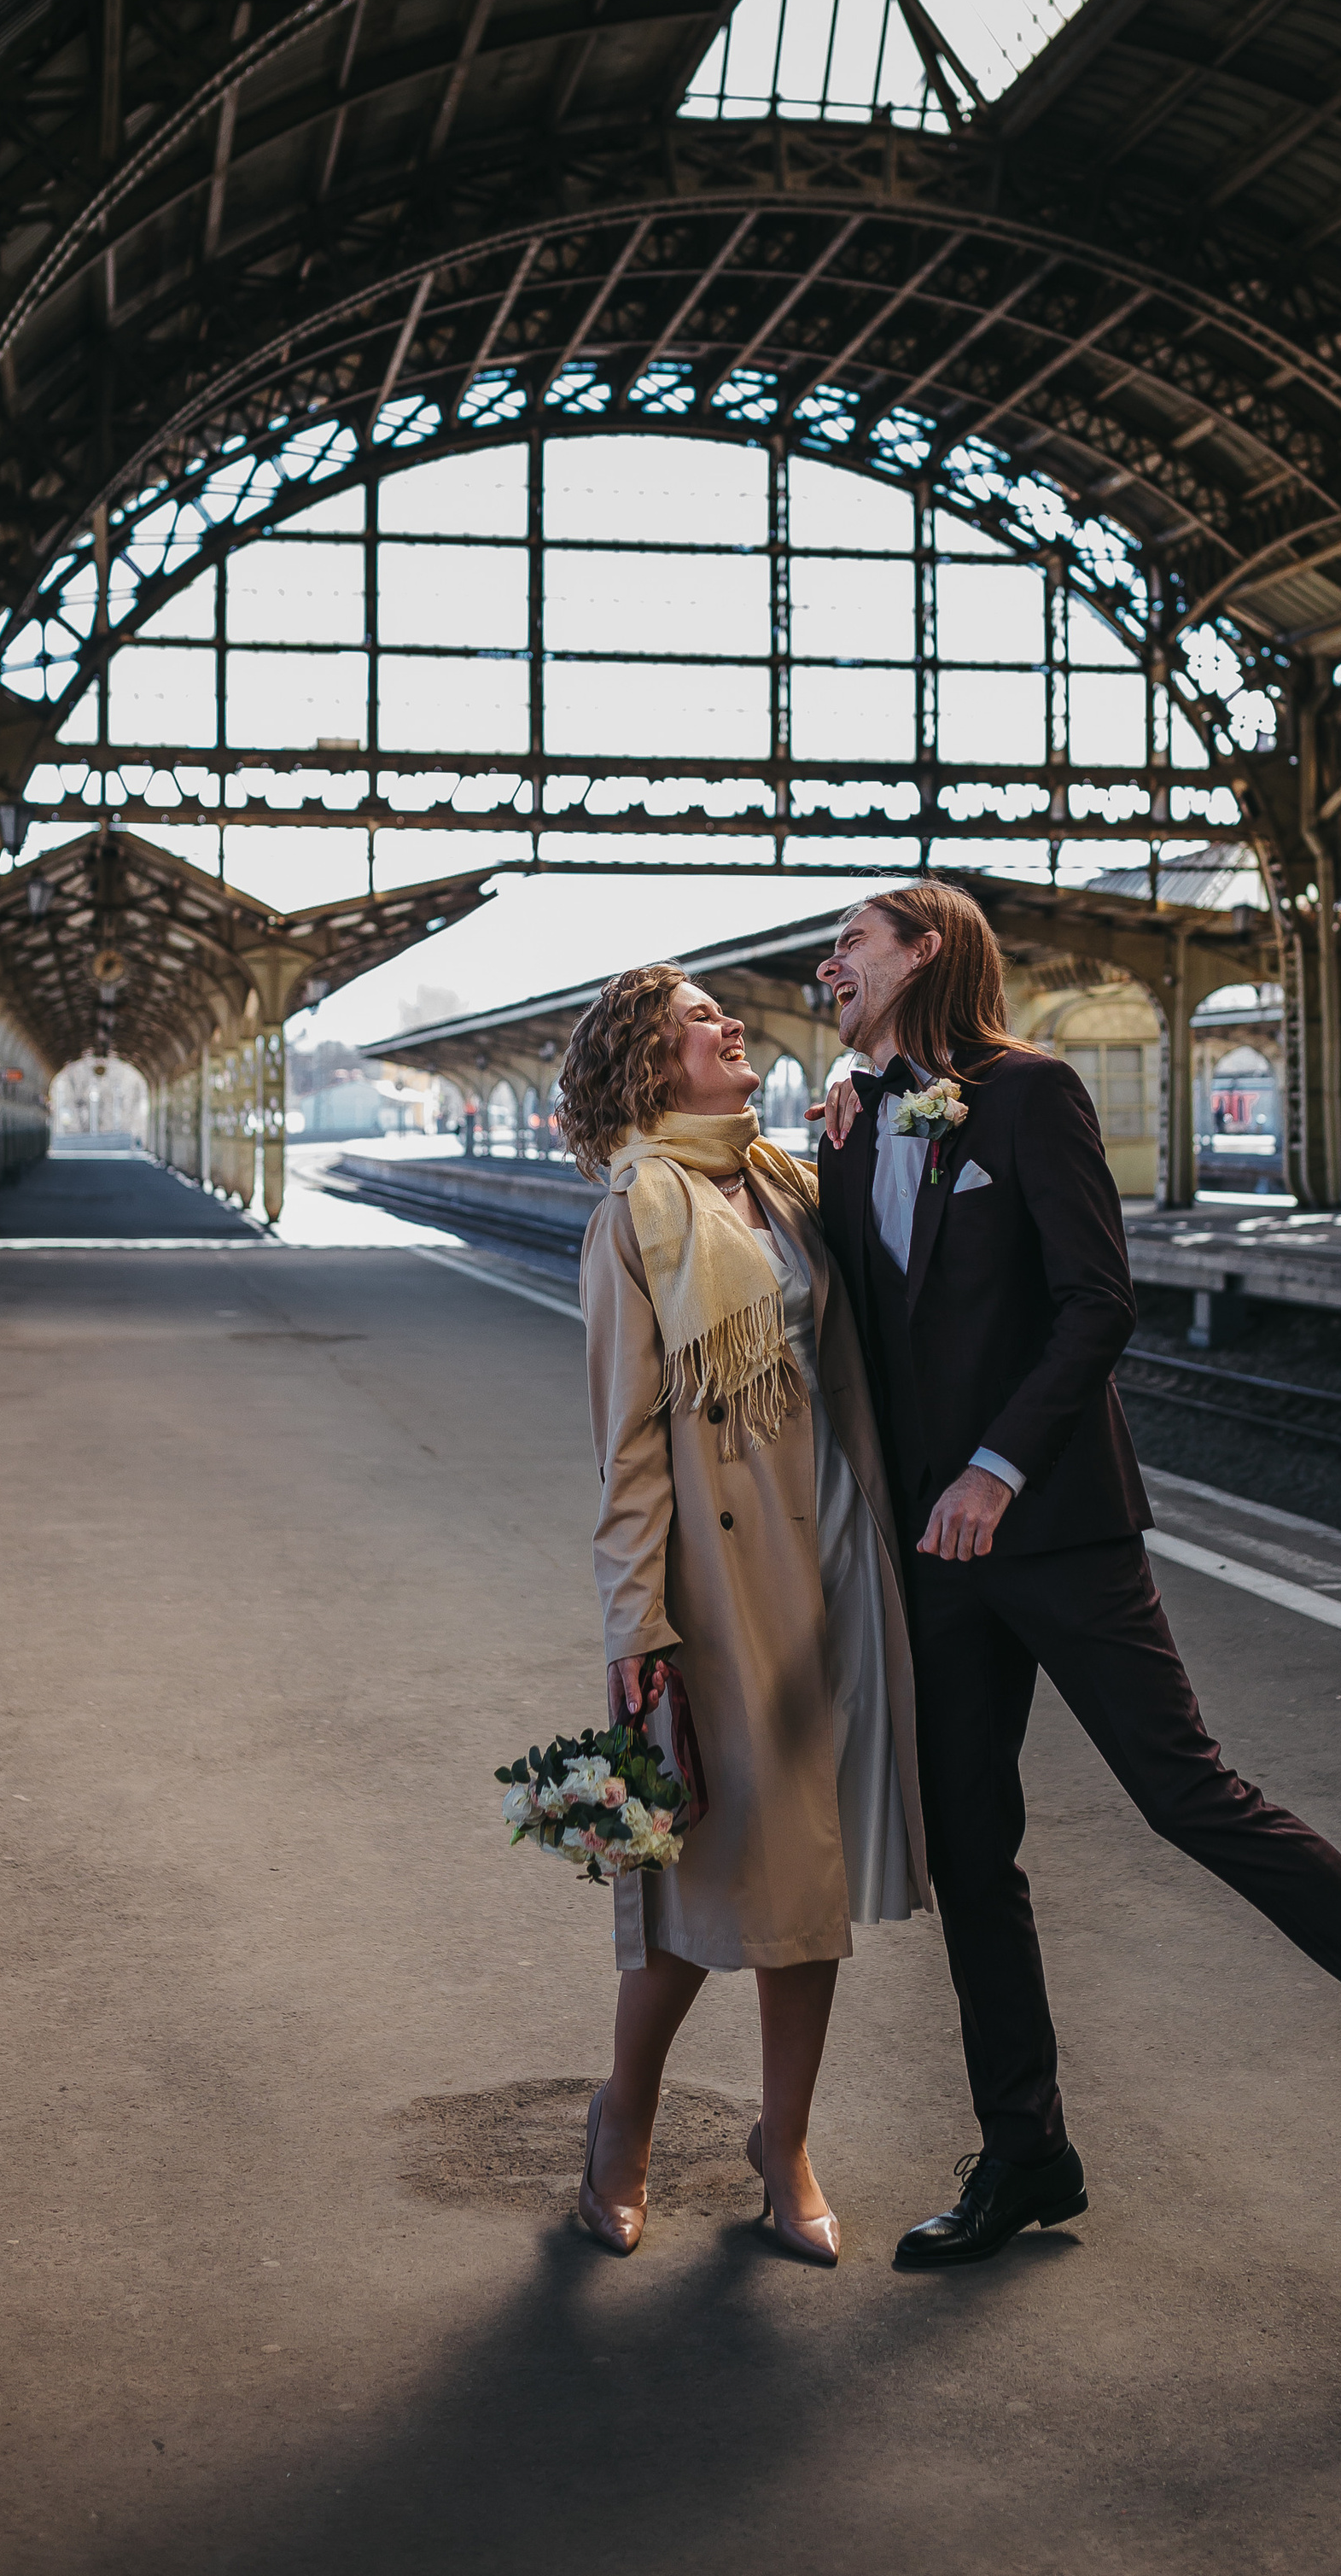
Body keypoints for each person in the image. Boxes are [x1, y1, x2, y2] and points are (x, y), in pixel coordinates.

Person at [813, 879, 1341, 2271]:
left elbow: (1100, 1302)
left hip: (1055, 1526)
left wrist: (996, 1468)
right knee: (971, 1851)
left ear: (925, 952)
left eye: (851, 942)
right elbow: (865, 1322)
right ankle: (1026, 2152)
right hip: (933, 1556)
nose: (829, 964)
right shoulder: (851, 1128)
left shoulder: (1032, 1096)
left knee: (1189, 1796)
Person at [559, 962, 928, 2266]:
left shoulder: (781, 1179)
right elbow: (627, 1448)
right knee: (704, 1870)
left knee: (806, 1873)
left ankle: (786, 2145)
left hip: (831, 1545)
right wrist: (635, 1627)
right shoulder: (636, 1212)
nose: (732, 1028)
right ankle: (628, 2119)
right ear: (659, 1068)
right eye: (704, 1021)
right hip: (719, 1584)